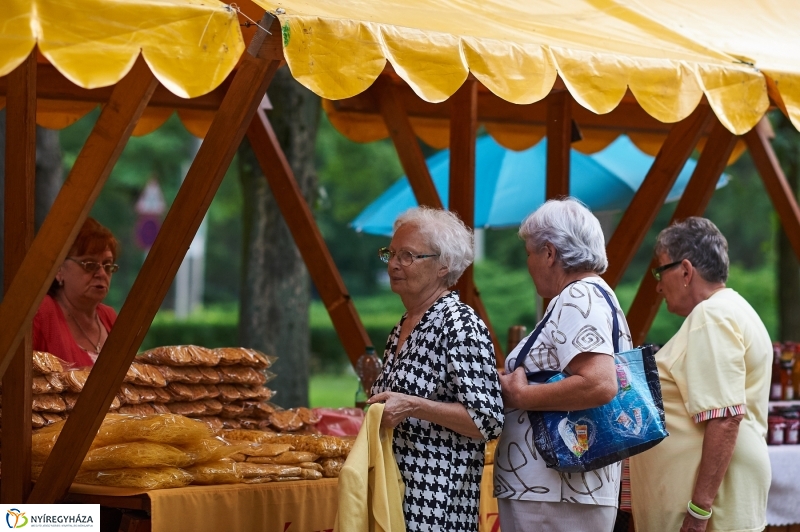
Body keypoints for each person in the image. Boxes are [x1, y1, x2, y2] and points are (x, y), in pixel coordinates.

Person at [493, 197, 632, 532]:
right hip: (564, 491)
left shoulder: (577, 297)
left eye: (530, 252)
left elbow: (600, 382)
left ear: (550, 253)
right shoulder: (597, 295)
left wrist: (522, 396)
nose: (528, 263)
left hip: (554, 493)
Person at [629, 217, 771, 532]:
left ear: (685, 271)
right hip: (726, 498)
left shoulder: (712, 316)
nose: (657, 285)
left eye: (660, 270)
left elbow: (725, 418)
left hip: (708, 511)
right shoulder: (736, 308)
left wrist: (698, 513)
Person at [367, 206, 504, 532]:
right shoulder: (403, 324)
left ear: (444, 265)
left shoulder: (460, 324)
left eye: (409, 255)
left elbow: (488, 420)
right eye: (392, 253)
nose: (395, 264)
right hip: (397, 498)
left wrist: (414, 405)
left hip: (437, 508)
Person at [33, 217, 119, 367]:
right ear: (59, 270)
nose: (102, 274)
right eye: (90, 264)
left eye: (107, 265)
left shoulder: (110, 317)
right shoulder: (41, 312)